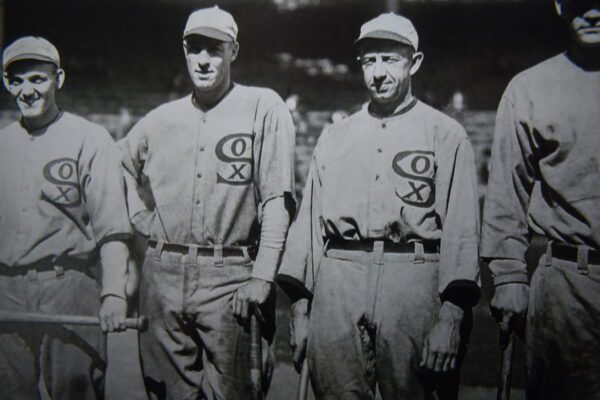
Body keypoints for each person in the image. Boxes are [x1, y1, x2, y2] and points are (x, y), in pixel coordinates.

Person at [277, 12, 480, 400]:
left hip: (414, 274)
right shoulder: (335, 136)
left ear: (414, 63)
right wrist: (301, 309)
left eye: (391, 59)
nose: (379, 72)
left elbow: (462, 228)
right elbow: (309, 225)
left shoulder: (445, 133)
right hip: (340, 276)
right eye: (370, 60)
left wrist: (452, 315)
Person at [119, 6, 296, 400]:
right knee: (165, 392)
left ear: (234, 50)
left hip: (230, 272)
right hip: (163, 273)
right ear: (184, 50)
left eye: (214, 49)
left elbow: (276, 201)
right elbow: (116, 167)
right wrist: (136, 214)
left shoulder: (263, 107)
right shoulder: (160, 119)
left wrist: (263, 276)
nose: (203, 59)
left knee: (237, 392)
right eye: (195, 48)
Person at [0, 36, 132, 400]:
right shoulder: (2, 143)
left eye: (38, 79)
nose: (27, 90)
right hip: (6, 290)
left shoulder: (90, 139)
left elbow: (113, 229)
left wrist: (113, 294)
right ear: (7, 83)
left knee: (75, 392)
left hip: (68, 286)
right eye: (17, 80)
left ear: (58, 79)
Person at [482, 0, 600, 398]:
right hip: (568, 286)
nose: (594, 13)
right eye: (582, 2)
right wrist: (509, 276)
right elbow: (505, 195)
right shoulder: (530, 88)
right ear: (561, 6)